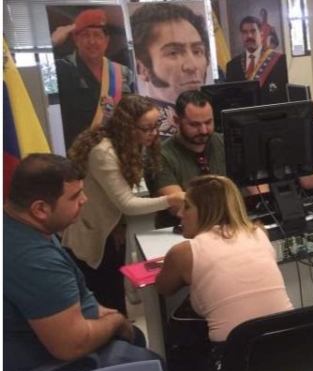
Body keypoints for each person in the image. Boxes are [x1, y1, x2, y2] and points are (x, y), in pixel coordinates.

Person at [4, 154, 163, 371]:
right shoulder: (33, 260)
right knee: (151, 361)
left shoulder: (17, 225)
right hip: (48, 363)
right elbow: (71, 345)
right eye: (75, 195)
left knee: (136, 337)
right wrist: (116, 321)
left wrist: (95, 310)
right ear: (40, 209)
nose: (84, 200)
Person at [156, 175, 293, 371]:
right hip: (288, 341)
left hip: (234, 356)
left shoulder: (184, 252)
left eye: (187, 207)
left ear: (206, 210)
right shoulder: (259, 232)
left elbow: (163, 287)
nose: (179, 214)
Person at [63, 94, 185, 314]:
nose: (154, 133)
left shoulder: (134, 144)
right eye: (146, 128)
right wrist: (171, 200)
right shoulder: (103, 152)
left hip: (114, 230)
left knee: (116, 300)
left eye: (156, 125)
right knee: (104, 302)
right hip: (94, 235)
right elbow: (126, 203)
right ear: (127, 127)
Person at [52, 8, 134, 149]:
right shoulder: (62, 68)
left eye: (97, 35)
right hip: (79, 153)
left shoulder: (123, 72)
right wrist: (53, 42)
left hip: (117, 149)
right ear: (76, 40)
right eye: (85, 35)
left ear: (106, 41)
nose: (92, 41)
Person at [130, 2, 211, 136]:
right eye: (174, 53)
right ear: (142, 68)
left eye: (197, 51)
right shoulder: (137, 132)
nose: (192, 66)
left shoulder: (215, 116)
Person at [146, 89, 225, 229]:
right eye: (195, 125)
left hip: (224, 228)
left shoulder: (223, 143)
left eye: (208, 122)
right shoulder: (160, 155)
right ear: (176, 121)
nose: (204, 130)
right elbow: (179, 207)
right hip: (179, 234)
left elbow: (255, 187)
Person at [226, 16, 288, 104]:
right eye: (245, 32)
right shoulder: (232, 66)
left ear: (261, 35)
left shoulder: (280, 61)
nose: (249, 36)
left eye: (253, 31)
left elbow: (285, 96)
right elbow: (231, 100)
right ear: (241, 36)